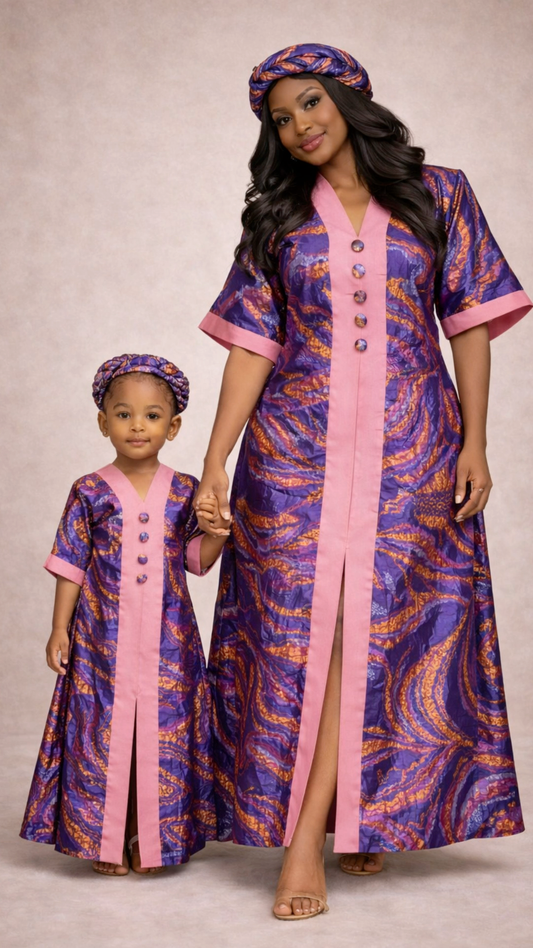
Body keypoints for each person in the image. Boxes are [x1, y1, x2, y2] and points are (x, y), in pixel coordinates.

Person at [195, 43, 531, 920]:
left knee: (384, 627)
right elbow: (251, 346)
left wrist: (475, 442)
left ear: (348, 100)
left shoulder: (438, 192)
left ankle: (321, 831)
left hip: (412, 450)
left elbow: (467, 323)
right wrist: (216, 459)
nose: (298, 126)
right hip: (292, 456)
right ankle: (330, 824)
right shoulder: (277, 216)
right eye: (279, 119)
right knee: (307, 634)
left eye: (309, 104)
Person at [20, 353, 230, 875]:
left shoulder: (185, 491)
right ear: (103, 422)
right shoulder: (89, 491)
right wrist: (59, 628)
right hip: (101, 638)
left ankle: (152, 840)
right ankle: (106, 839)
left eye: (152, 416)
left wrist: (217, 534)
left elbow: (194, 561)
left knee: (163, 731)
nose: (138, 425)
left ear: (172, 427)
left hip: (168, 640)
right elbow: (71, 564)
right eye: (124, 414)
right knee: (106, 731)